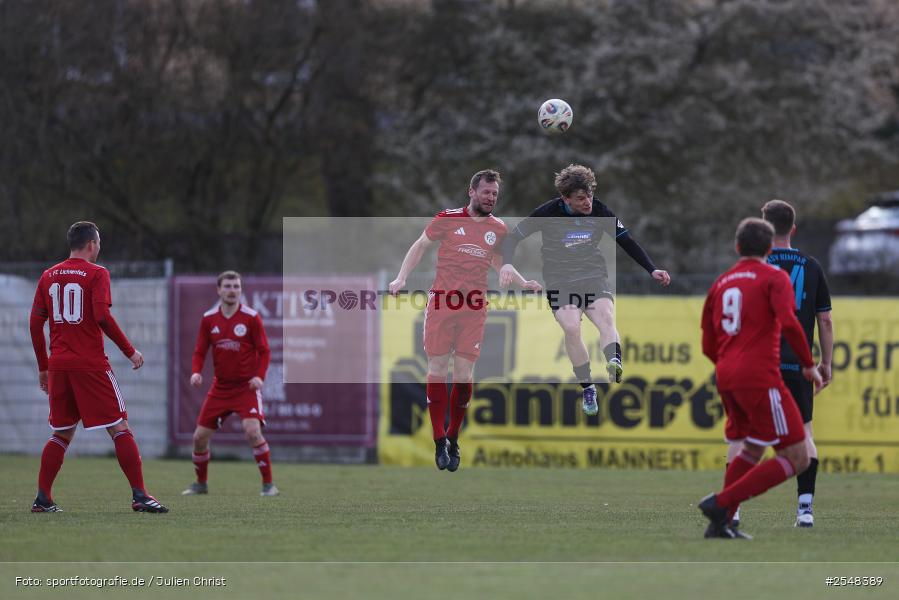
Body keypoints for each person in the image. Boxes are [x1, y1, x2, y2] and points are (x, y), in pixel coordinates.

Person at [389, 169, 541, 471]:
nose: (491, 198)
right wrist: (400, 277)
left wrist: (523, 282)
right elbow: (420, 245)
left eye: (495, 194)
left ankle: (453, 437)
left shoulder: (498, 228)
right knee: (436, 369)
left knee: (463, 374)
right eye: (486, 192)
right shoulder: (447, 219)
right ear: (472, 192)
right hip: (442, 304)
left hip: (474, 307)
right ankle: (438, 441)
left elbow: (499, 262)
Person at [499, 164, 671, 416]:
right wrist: (506, 264)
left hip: (593, 276)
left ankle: (614, 362)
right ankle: (588, 386)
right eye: (581, 198)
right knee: (571, 327)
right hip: (560, 281)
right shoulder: (547, 212)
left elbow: (626, 241)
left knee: (606, 318)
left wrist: (652, 269)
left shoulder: (600, 210)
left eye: (589, 195)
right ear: (565, 198)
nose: (588, 201)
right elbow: (513, 237)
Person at [28, 221, 168, 513]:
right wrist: (130, 351)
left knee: (62, 433)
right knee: (119, 426)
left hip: (59, 366)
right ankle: (140, 495)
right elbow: (102, 316)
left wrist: (44, 367)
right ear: (92, 244)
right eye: (99, 242)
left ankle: (43, 499)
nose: (99, 247)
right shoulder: (97, 273)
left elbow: (35, 323)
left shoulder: (48, 275)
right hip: (90, 364)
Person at [698, 217, 823, 539]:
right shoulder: (773, 276)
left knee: (752, 447)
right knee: (798, 456)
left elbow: (707, 343)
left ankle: (722, 524)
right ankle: (720, 504)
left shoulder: (721, 282)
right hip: (760, 377)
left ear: (737, 246)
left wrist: (730, 365)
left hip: (726, 376)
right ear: (769, 248)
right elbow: (790, 322)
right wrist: (808, 365)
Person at [725, 199, 832, 528]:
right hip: (797, 365)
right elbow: (825, 320)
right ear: (793, 229)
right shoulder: (811, 265)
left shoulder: (752, 267)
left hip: (755, 365)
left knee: (741, 435)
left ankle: (732, 508)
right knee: (804, 432)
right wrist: (825, 363)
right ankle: (805, 509)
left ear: (764, 228)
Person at [182, 271, 277, 497]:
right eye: (227, 286)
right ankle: (201, 484)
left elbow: (264, 351)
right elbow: (199, 351)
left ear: (241, 290)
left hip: (246, 387)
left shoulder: (251, 317)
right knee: (199, 438)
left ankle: (269, 485)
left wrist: (259, 377)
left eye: (236, 286)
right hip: (221, 388)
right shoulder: (209, 319)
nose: (232, 290)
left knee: (252, 431)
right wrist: (196, 372)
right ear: (219, 290)